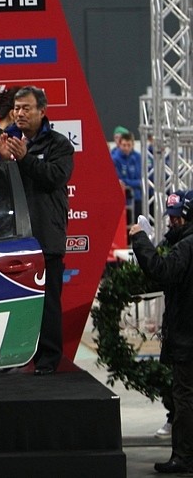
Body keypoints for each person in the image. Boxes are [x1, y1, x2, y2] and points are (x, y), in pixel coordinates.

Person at [0, 85, 74, 375]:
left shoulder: (59, 145)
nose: (19, 113)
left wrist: (25, 159)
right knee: (13, 299)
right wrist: (1, 161)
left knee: (48, 302)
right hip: (14, 236)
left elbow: (54, 177)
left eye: (26, 108)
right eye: (16, 108)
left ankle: (47, 360)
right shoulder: (7, 142)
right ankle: (12, 356)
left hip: (46, 235)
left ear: (42, 111)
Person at [129, 190, 193, 474]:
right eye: (172, 216)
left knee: (185, 398)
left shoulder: (187, 246)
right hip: (185, 334)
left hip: (187, 338)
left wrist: (141, 240)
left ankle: (184, 457)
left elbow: (162, 270)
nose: (173, 221)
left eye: (178, 216)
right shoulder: (182, 243)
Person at [113, 131, 143, 224]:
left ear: (133, 145)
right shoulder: (115, 159)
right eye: (124, 145)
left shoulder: (137, 157)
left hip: (137, 197)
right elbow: (119, 181)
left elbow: (140, 178)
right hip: (123, 200)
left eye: (129, 145)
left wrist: (134, 183)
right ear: (119, 145)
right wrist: (135, 183)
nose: (126, 148)